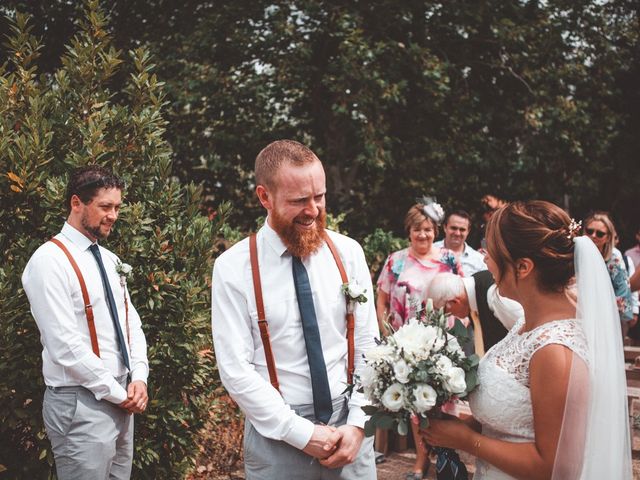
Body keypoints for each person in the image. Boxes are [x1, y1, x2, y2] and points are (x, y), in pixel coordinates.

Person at [419, 200, 632, 479]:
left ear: (523, 267)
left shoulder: (554, 351)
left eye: (492, 252)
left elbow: (555, 467)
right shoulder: (525, 323)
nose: (484, 259)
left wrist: (467, 441)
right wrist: (461, 425)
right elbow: (519, 416)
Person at [211, 140, 379, 479]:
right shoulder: (233, 268)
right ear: (264, 197)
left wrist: (359, 423)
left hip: (349, 430)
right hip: (278, 436)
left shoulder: (348, 253)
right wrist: (301, 433)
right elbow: (235, 369)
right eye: (299, 200)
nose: (313, 210)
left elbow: (368, 346)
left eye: (319, 196)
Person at [22, 165, 149, 479]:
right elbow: (64, 346)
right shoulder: (48, 261)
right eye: (105, 207)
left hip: (123, 397)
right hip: (80, 402)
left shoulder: (110, 260)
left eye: (117, 207)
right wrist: (117, 394)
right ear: (76, 203)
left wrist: (139, 377)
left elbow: (131, 322)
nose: (113, 215)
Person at [376, 200, 460, 480]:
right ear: (408, 231)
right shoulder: (396, 261)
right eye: (416, 230)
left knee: (444, 400)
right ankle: (420, 461)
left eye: (427, 229)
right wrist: (387, 335)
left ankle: (445, 456)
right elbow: (382, 300)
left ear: (435, 230)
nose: (422, 235)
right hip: (406, 343)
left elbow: (461, 298)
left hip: (441, 341)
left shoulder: (448, 259)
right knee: (416, 401)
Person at [429, 271, 523, 355]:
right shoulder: (470, 298)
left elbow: (529, 330)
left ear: (455, 301)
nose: (448, 315)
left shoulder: (493, 295)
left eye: (444, 311)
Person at [583, 212, 634, 333]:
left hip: (607, 316)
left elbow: (622, 288)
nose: (593, 235)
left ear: (608, 237)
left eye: (600, 233)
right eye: (589, 231)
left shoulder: (614, 256)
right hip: (579, 312)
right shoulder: (576, 252)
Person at [434, 210, 487, 277]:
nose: (457, 233)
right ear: (445, 227)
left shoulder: (479, 261)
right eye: (453, 228)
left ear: (468, 231)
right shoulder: (430, 251)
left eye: (462, 230)